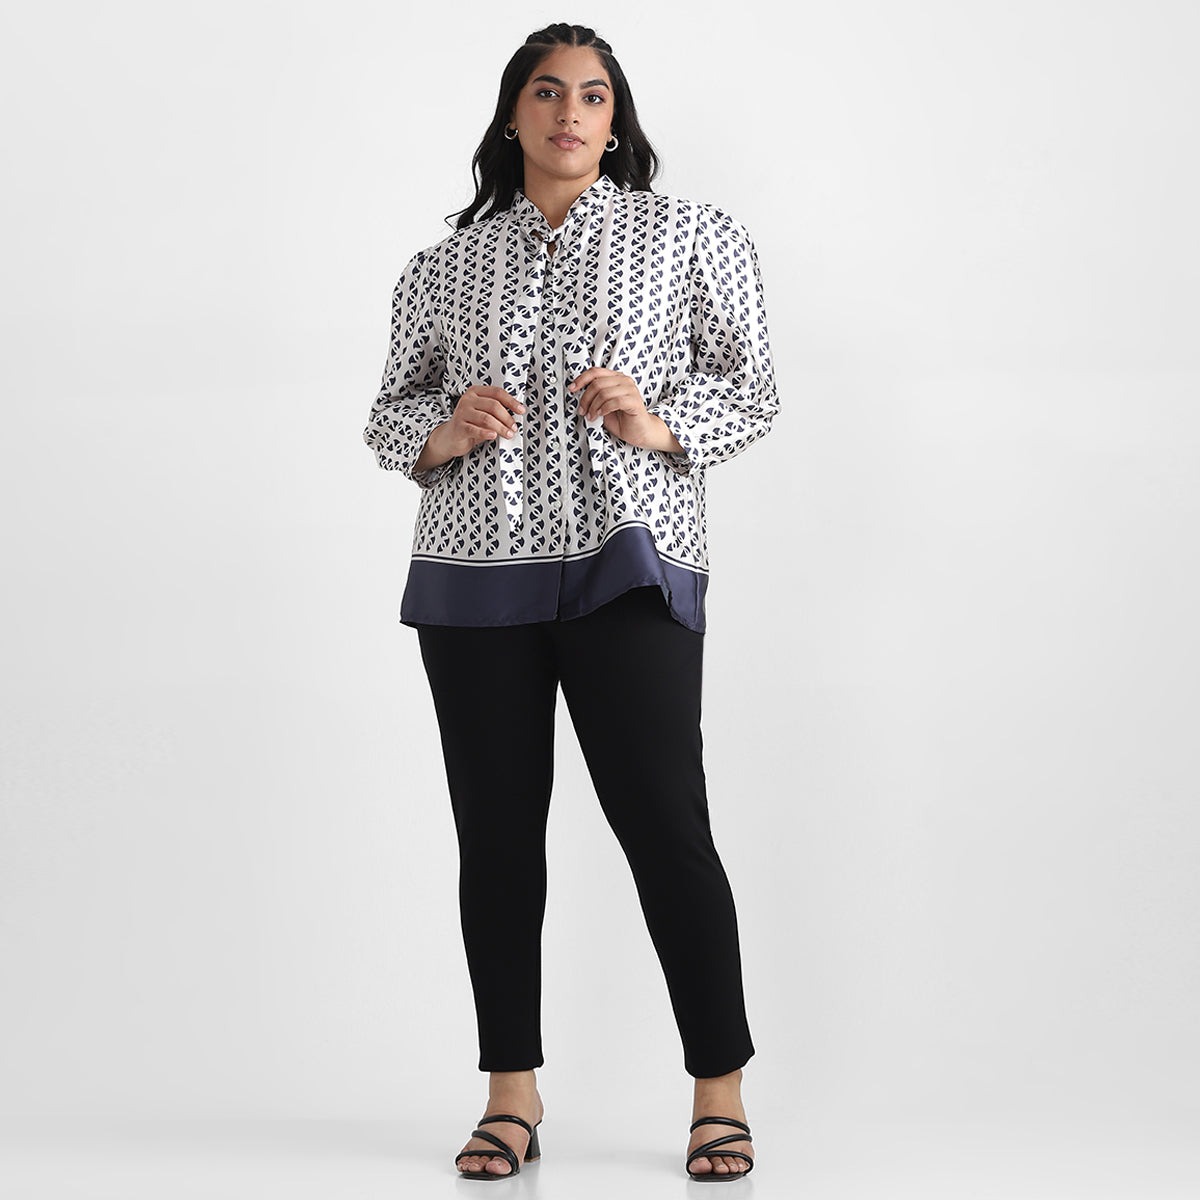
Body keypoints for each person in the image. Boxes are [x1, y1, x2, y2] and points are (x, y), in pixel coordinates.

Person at [362, 21, 777, 1182]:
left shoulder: (688, 234)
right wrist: (442, 431)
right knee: (496, 840)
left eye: (593, 96)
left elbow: (754, 383)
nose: (569, 113)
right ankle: (511, 1093)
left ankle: (719, 1090)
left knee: (664, 826)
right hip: (474, 576)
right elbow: (389, 412)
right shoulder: (442, 267)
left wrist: (658, 420)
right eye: (547, 93)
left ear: (615, 120)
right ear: (513, 116)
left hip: (626, 562)